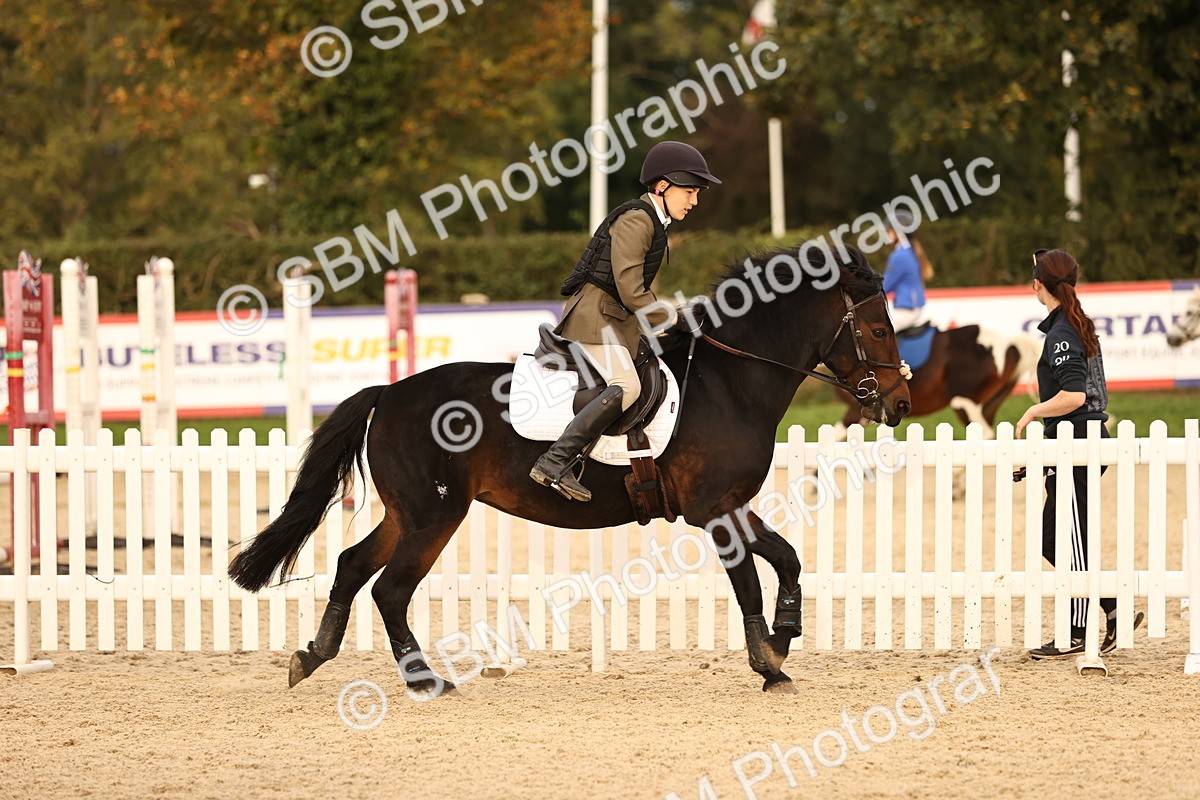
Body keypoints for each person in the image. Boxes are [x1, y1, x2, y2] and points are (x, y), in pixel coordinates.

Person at [529, 141, 721, 502]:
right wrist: (677, 317)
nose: (694, 201)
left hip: (614, 320)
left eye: (697, 193)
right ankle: (555, 461)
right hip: (594, 318)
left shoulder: (654, 220)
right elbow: (632, 292)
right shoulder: (637, 220)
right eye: (690, 191)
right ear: (662, 186)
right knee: (627, 386)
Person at [1015, 248, 1142, 658]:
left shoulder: (1062, 332)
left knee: (1060, 539)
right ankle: (1107, 612)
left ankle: (1080, 630)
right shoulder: (1074, 323)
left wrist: (1033, 411)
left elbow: (1072, 395)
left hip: (1077, 443)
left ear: (1039, 285)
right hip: (1075, 442)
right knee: (1063, 537)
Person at [882, 210, 934, 334]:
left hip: (906, 310)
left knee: (878, 334)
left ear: (898, 233)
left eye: (889, 231)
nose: (887, 235)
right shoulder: (909, 250)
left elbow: (883, 287)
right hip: (913, 307)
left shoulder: (899, 255)